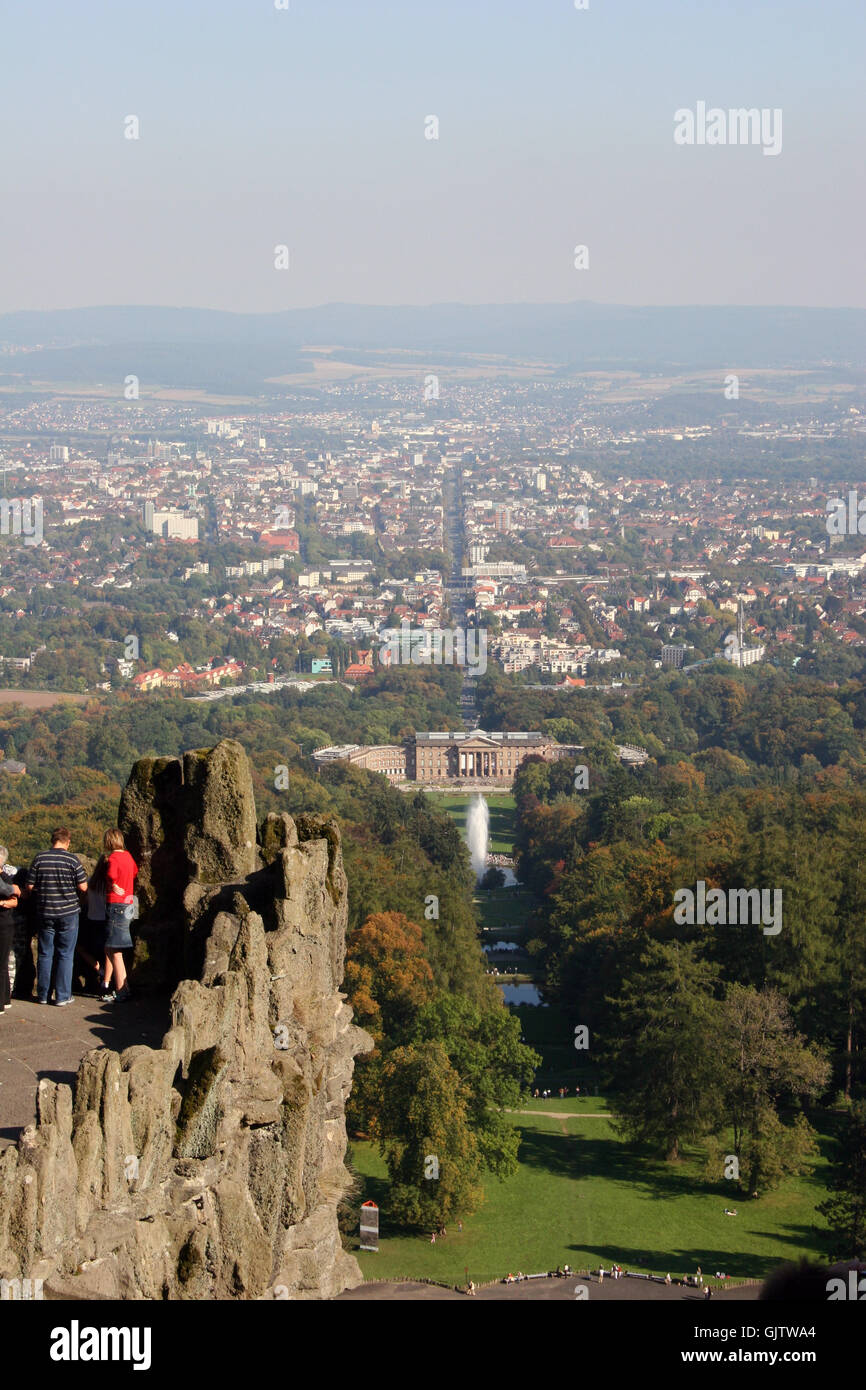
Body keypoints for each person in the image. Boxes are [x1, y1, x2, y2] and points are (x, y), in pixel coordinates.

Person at [26, 828, 87, 1006]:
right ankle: (62, 995)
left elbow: (29, 887)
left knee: (45, 954)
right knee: (65, 954)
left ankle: (43, 995)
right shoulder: (72, 859)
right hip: (68, 912)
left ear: (52, 840)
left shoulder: (40, 858)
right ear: (67, 842)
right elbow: (83, 887)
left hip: (45, 911)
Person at [102, 829, 138, 1003]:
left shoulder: (113, 859)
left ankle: (121, 990)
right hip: (129, 903)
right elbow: (134, 872)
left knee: (115, 949)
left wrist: (112, 884)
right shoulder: (129, 857)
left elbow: (110, 875)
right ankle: (124, 988)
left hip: (116, 904)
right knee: (118, 949)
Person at [77, 853, 109, 995]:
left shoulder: (91, 882)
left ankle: (98, 970)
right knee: (108, 953)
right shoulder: (110, 885)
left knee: (85, 950)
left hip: (91, 922)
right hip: (106, 921)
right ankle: (106, 979)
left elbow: (83, 902)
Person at [0, 846, 21, 1015]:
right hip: (7, 922)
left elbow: (14, 900)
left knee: (1, 963)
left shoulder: (5, 879)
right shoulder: (8, 877)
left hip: (4, 922)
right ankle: (5, 999)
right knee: (4, 962)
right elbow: (15, 897)